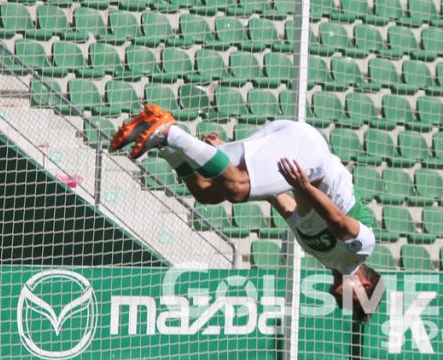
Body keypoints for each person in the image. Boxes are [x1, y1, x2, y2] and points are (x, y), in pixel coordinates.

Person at [110, 105, 381, 322]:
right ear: (366, 285)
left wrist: (224, 160)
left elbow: (280, 200)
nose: (345, 307)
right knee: (237, 190)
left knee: (207, 192)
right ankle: (170, 133)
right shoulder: (359, 250)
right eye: (356, 304)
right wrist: (304, 186)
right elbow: (337, 219)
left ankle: (165, 142)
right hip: (309, 155)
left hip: (294, 149)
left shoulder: (321, 253)